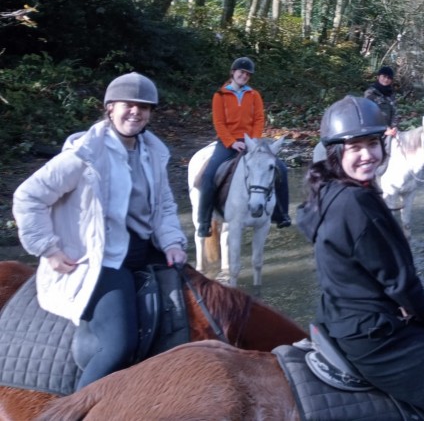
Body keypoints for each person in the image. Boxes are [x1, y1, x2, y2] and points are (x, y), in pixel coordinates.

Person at [297, 97, 424, 421]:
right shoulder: (357, 205)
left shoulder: (328, 190)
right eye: (355, 148)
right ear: (337, 152)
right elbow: (400, 283)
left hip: (339, 318)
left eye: (372, 143)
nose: (367, 154)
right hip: (376, 336)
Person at [13, 72, 188, 389]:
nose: (136, 112)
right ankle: (75, 410)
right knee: (116, 347)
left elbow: (163, 206)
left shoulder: (153, 152)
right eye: (128, 105)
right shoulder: (84, 155)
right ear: (110, 108)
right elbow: (29, 197)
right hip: (101, 258)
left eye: (144, 107)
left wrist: (173, 242)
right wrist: (49, 249)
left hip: (143, 249)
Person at [197, 57, 290, 238]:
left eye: (247, 74)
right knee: (208, 176)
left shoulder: (254, 95)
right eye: (241, 72)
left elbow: (259, 119)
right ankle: (204, 222)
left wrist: (252, 141)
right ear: (233, 72)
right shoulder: (220, 95)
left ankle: (281, 214)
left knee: (281, 169)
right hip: (227, 142)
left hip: (252, 142)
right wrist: (232, 142)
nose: (244, 76)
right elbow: (219, 122)